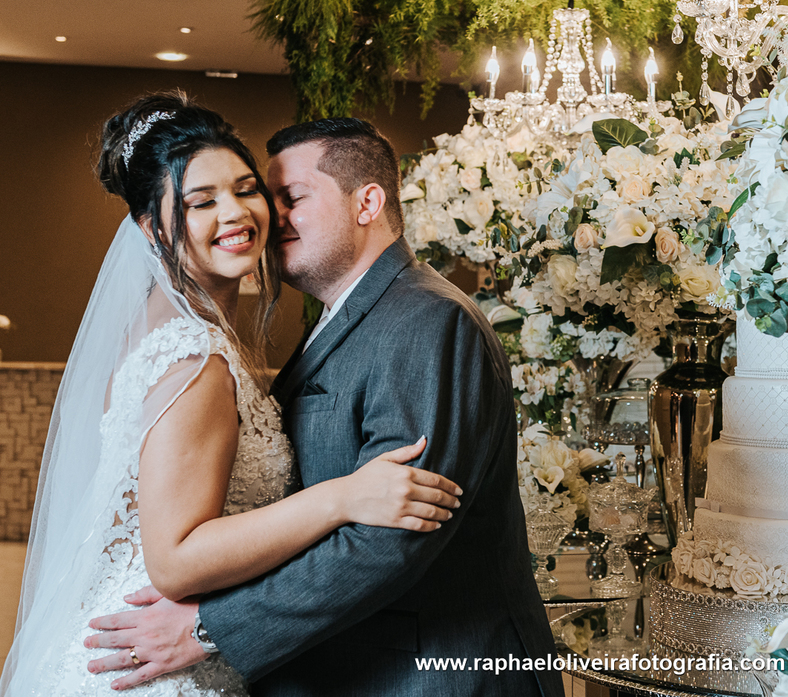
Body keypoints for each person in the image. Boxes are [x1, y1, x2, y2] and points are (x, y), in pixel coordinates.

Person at [0, 94, 462, 697]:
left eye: (246, 190)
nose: (237, 213)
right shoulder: (194, 355)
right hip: (155, 662)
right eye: (201, 202)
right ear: (151, 227)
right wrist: (341, 497)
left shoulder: (178, 327)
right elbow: (175, 558)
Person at [84, 117, 563, 696]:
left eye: (291, 198)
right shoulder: (327, 321)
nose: (267, 215)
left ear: (367, 203)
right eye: (270, 196)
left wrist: (210, 628)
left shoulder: (427, 320)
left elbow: (393, 535)